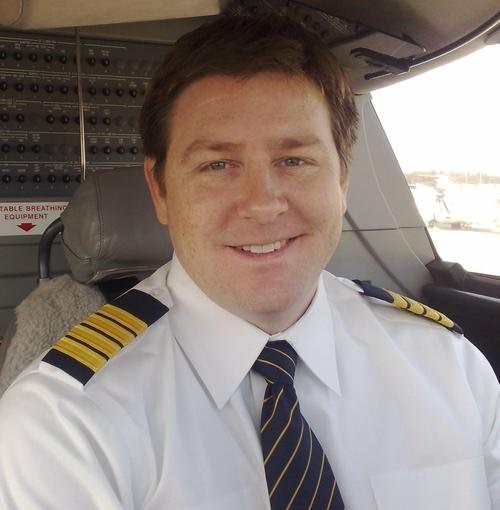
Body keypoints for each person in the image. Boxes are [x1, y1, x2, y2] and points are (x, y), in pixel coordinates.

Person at [0, 13, 498, 510]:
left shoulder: (449, 366)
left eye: (294, 161)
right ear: (161, 191)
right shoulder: (64, 424)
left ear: (342, 180)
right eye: (218, 165)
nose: (263, 204)